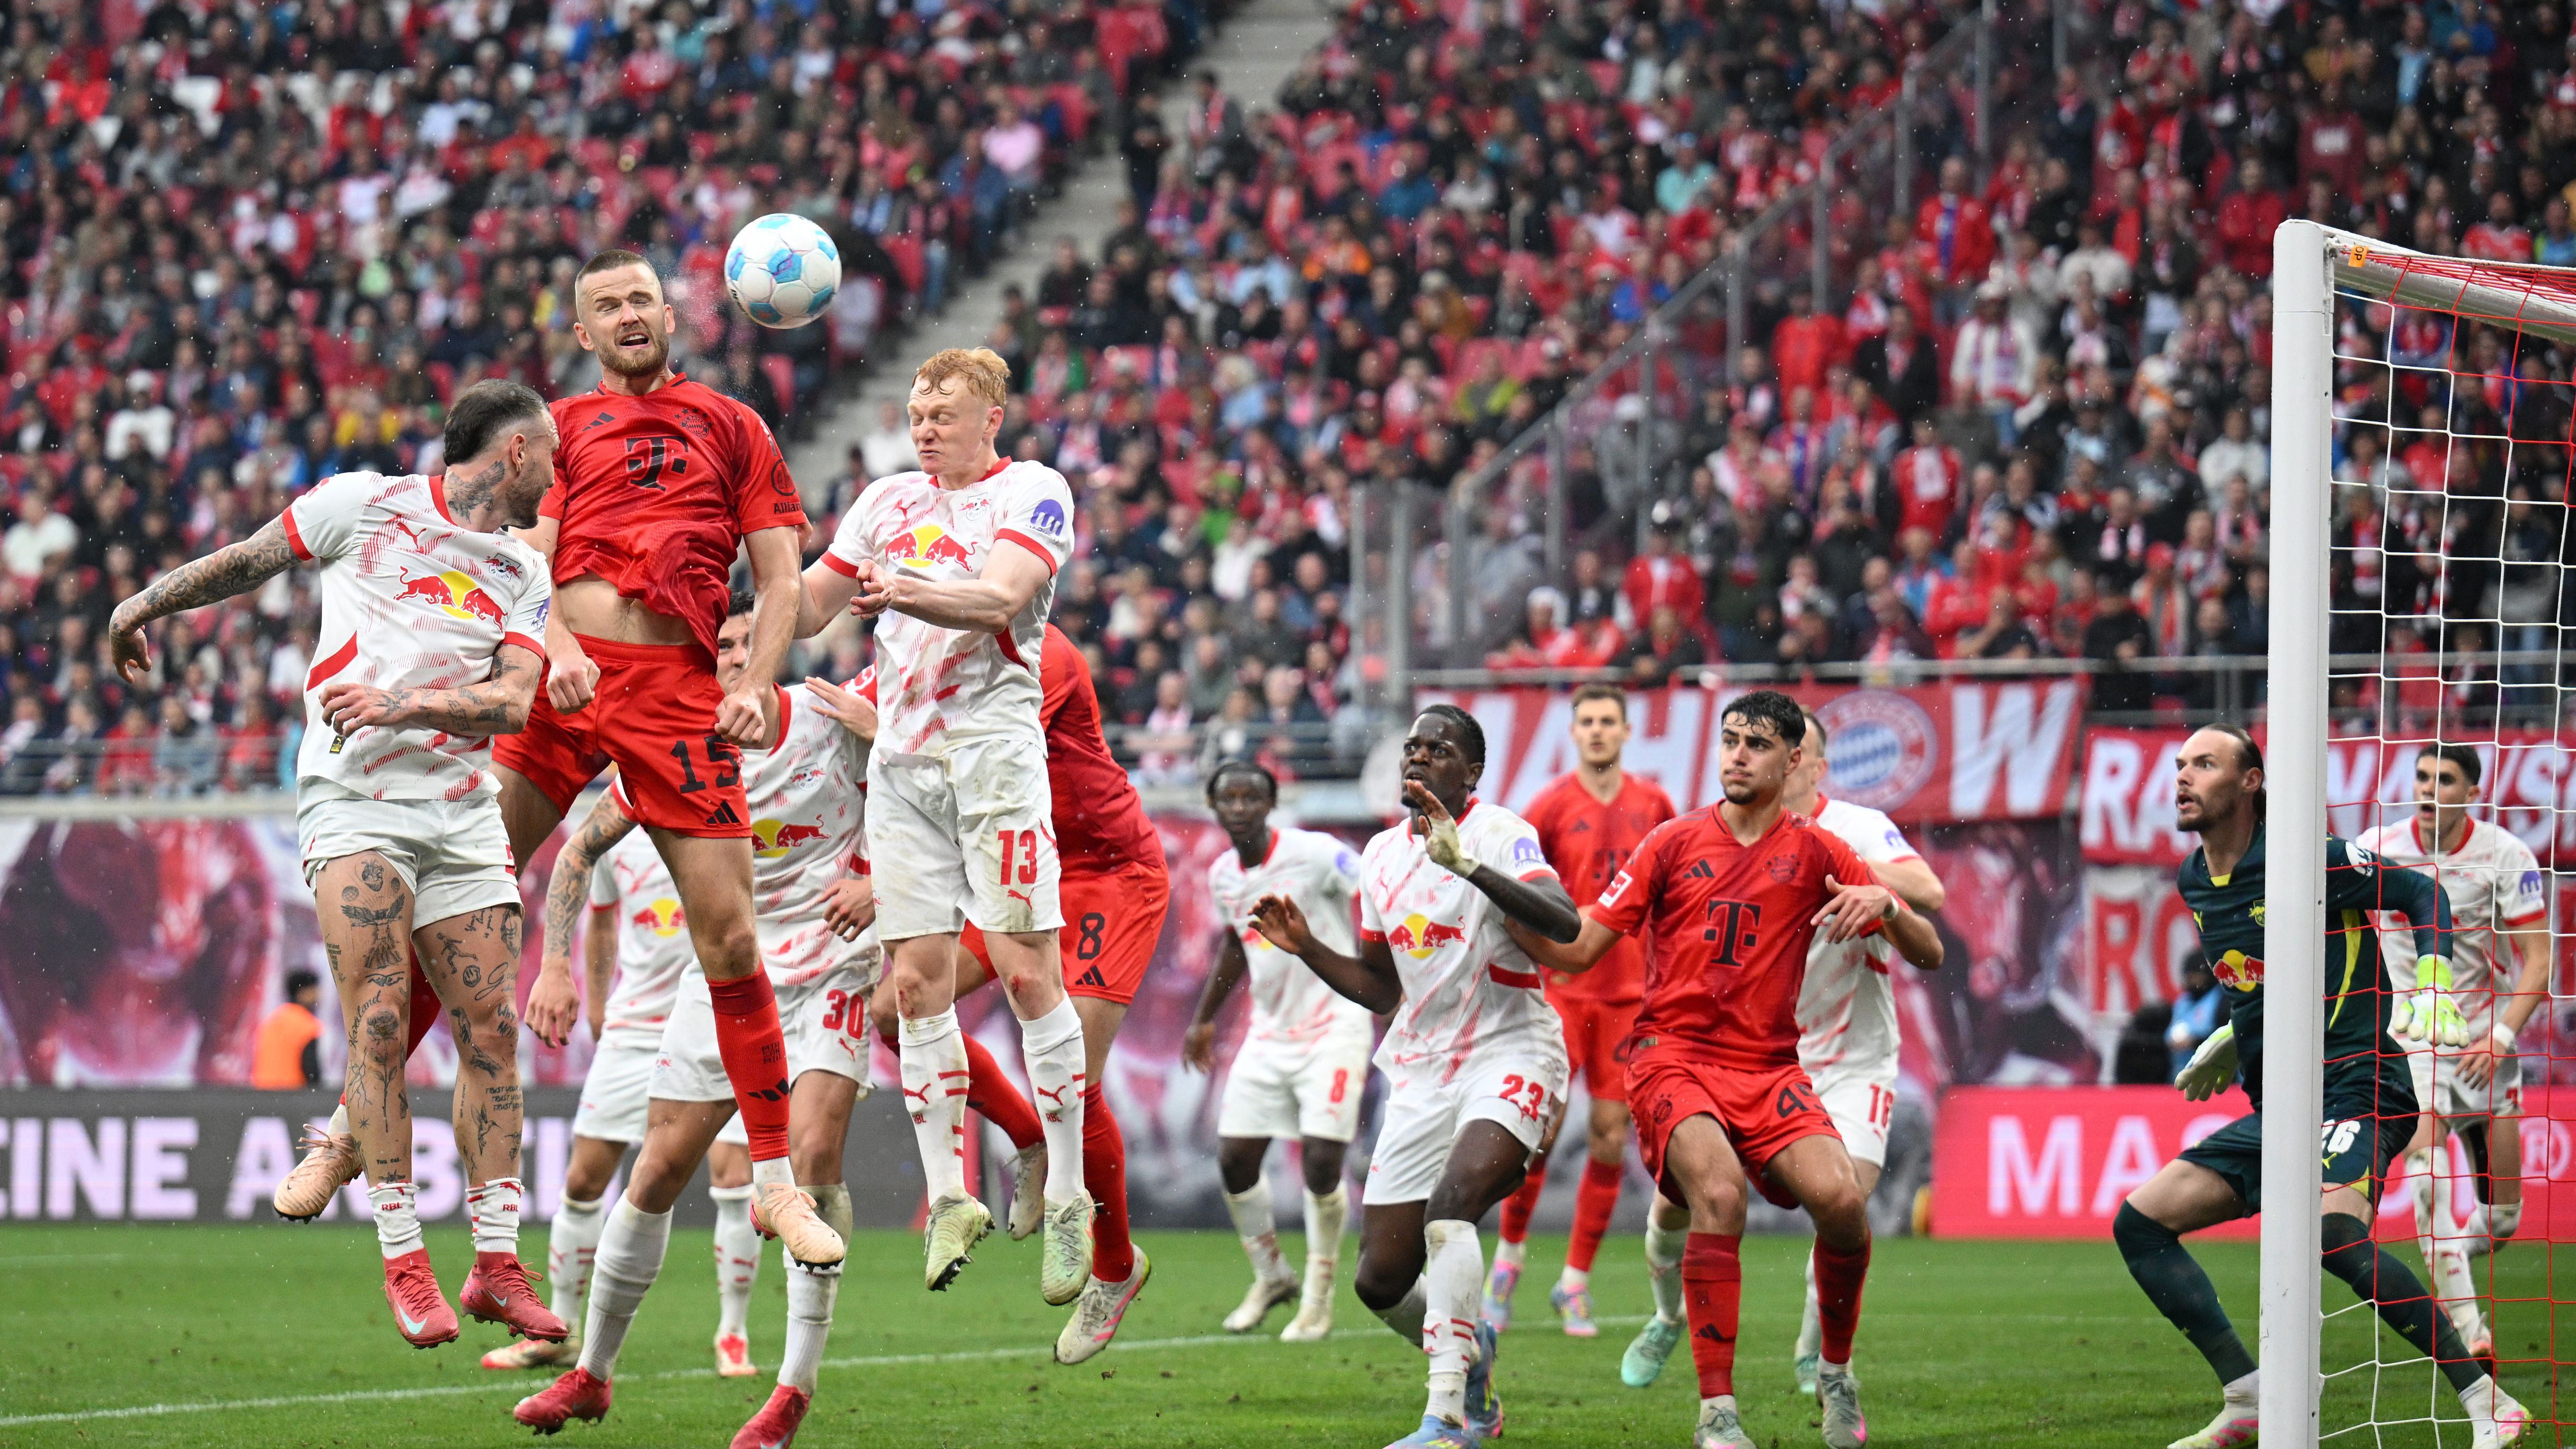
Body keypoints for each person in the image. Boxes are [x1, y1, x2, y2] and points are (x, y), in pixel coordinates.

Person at [105, 380, 565, 1350]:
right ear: (515, 453)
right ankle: (405, 1258)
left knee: (489, 1029)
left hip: (460, 813)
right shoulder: (366, 504)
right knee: (383, 1015)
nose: (556, 479)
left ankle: (494, 1265)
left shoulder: (524, 572)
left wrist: (405, 707)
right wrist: (142, 605)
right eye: (550, 459)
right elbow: (247, 562)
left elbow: (519, 704)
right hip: (356, 804)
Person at [499, 249, 844, 1271]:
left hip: (679, 692)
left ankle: (776, 1184)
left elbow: (781, 578)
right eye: (605, 304)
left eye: (641, 298)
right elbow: (525, 560)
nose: (627, 314)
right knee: (465, 882)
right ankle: (351, 1119)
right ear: (582, 331)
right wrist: (555, 646)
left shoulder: (734, 423)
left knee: (732, 937)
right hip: (566, 679)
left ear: (671, 312)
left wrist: (754, 683)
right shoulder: (555, 429)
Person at [1510, 690, 1942, 1449]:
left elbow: (1930, 949)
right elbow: (1579, 946)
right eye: (1729, 740)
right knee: (1717, 1192)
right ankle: (1718, 1413)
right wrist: (1493, 890)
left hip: (1771, 1067)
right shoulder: (1671, 841)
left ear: (1794, 759)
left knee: (1842, 1203)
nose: (1737, 755)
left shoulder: (1817, 849)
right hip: (1671, 1056)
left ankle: (1835, 1371)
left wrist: (1887, 905)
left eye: (1756, 744)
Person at [512, 595, 878, 1447]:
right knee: (657, 1172)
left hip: (831, 962)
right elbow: (577, 850)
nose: (738, 657)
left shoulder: (842, 722)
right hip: (722, 978)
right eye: (723, 647)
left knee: (814, 1155)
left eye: (754, 642)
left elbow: (948, 805)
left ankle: (789, 1392)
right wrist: (559, 963)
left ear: (777, 649)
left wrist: (885, 883)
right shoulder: (676, 751)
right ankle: (592, 1374)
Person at [2123, 726, 2524, 1449]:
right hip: (2280, 1104)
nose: (2182, 776)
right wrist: (2231, 1033)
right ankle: (2247, 1397)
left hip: (2358, 1081)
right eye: (2179, 764)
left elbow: (2418, 889)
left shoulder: (2310, 857)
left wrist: (2432, 976)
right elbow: (2264, 971)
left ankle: (2486, 1399)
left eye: (2204, 764)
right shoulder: (2193, 879)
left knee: (2332, 1234)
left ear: (2249, 782)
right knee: (2141, 1222)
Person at [797, 347, 1090, 1305]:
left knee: (1023, 969)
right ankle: (951, 1192)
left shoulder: (1035, 492)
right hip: (904, 766)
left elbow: (1001, 599)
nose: (924, 426)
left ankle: (1072, 1195)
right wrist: (743, 583)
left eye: (944, 412)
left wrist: (903, 591)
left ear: (992, 416)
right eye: (917, 410)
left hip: (993, 760)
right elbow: (811, 606)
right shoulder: (885, 502)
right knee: (916, 981)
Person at [1246, 704, 1582, 1449]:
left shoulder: (1500, 831)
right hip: (1424, 1069)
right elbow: (1379, 987)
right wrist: (1305, 946)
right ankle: (1472, 1352)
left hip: (1512, 1050)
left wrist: (1466, 863)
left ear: (1472, 772)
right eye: (1413, 747)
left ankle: (1450, 1417)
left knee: (1451, 1206)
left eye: (1440, 748)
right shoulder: (1380, 858)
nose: (1421, 757)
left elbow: (1563, 922)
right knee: (1379, 1281)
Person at [842, 623, 1168, 1360]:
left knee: (1074, 1071)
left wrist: (886, 731)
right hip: (1006, 870)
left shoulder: (1039, 652)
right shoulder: (915, 651)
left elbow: (981, 762)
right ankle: (1029, 1138)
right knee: (894, 1007)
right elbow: (843, 720)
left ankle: (1114, 1267)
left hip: (1103, 873)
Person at [478, 830, 761, 1377]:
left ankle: (733, 1332)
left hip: (714, 1019)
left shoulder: (720, 816)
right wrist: (601, 1001)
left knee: (732, 1176)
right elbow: (602, 919)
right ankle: (557, 1329)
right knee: (584, 1179)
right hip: (636, 1027)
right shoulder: (611, 832)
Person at [1486, 683, 1676, 1337]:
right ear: (1575, 733)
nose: (1597, 731)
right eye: (1587, 722)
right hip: (1564, 994)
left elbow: (1673, 896)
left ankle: (1574, 1282)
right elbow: (1520, 893)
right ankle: (1508, 1261)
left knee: (1608, 1136)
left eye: (1607, 722)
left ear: (1627, 732)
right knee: (1538, 1134)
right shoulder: (1548, 806)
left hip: (1627, 998)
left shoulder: (1655, 804)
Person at [2354, 742, 2551, 1360]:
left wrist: (2501, 1037)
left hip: (2484, 1045)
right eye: (2421, 776)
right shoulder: (2376, 847)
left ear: (2471, 791)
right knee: (2427, 1177)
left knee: (2502, 1220)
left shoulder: (2505, 854)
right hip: (2413, 1041)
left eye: (2445, 779)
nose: (2430, 788)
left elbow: (2539, 959)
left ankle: (2446, 1264)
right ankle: (2471, 1334)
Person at [1778, 709, 1944, 1395]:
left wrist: (1843, 867)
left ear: (1817, 766)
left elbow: (1928, 892)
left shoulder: (1855, 825)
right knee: (1683, 1199)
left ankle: (1818, 1348)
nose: (1782, 763)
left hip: (1854, 1057)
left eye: (1797, 753)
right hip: (1767, 1055)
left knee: (1843, 1203)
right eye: (1768, 749)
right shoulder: (1727, 835)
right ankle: (1667, 1312)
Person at [1183, 758, 1368, 1343]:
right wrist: (1205, 1019)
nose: (1239, 808)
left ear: (1271, 802)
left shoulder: (1316, 854)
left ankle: (1318, 1294)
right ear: (1213, 808)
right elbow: (1240, 944)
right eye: (1228, 799)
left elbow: (1377, 889)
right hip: (1269, 1032)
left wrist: (1383, 975)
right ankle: (1272, 1275)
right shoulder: (1222, 875)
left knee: (1319, 1162)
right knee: (1235, 1159)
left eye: (1250, 797)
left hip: (1337, 1024)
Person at [250, 969, 325, 1090]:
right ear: (303, 992)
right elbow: (312, 1073)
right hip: (293, 1097)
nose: (318, 996)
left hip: (262, 1096)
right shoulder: (308, 1025)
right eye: (314, 991)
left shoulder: (269, 1022)